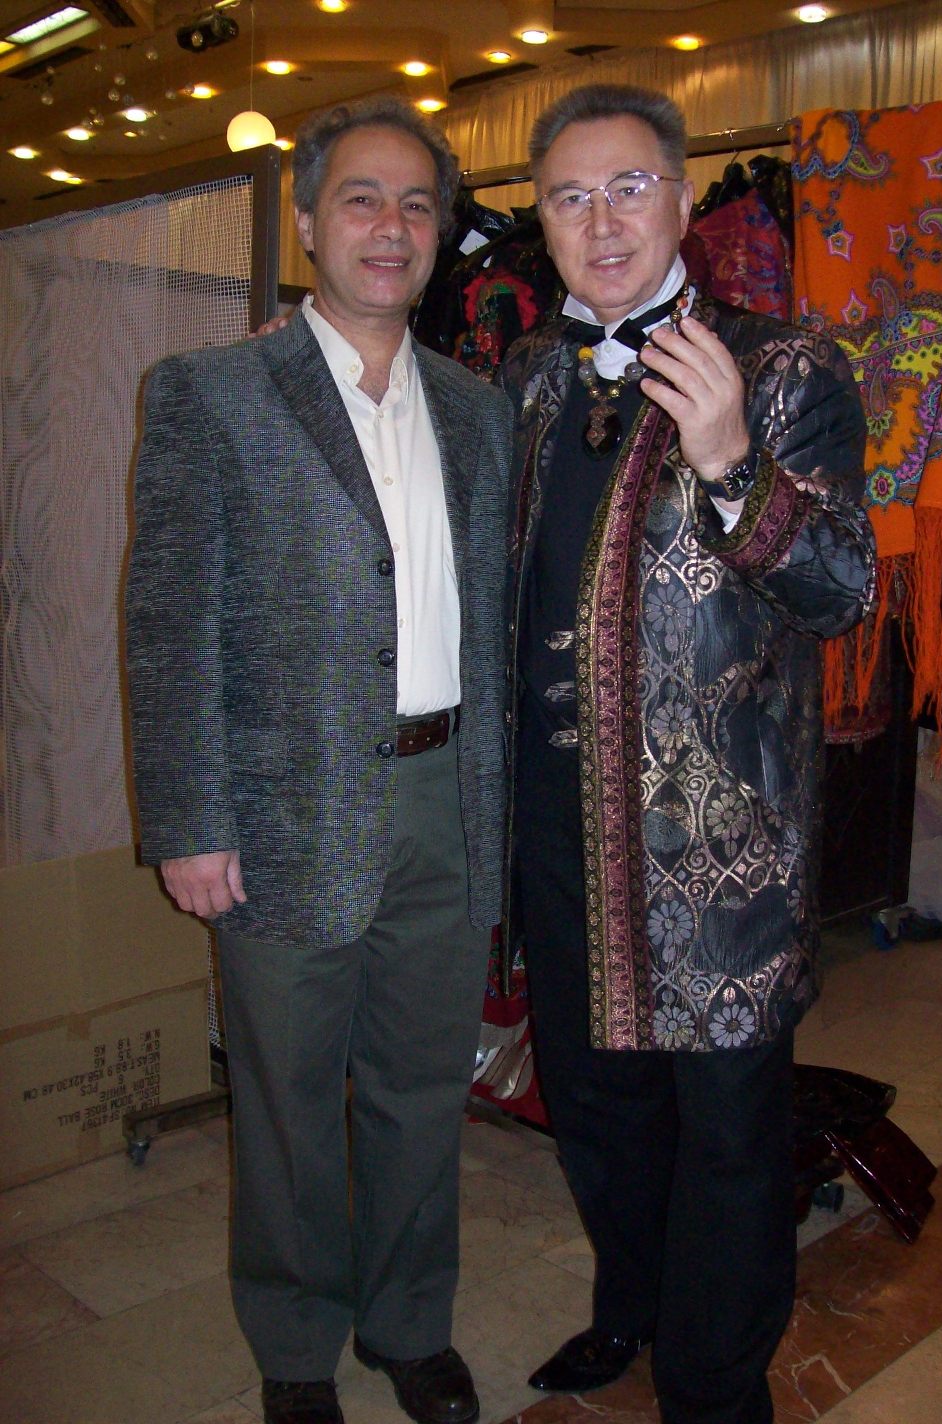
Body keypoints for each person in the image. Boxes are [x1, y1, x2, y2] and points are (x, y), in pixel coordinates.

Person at [124, 97, 511, 1424]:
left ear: (441, 231)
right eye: (361, 198)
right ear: (305, 224)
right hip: (281, 811)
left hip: (446, 799)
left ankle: (410, 1325)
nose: (390, 227)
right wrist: (188, 819)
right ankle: (295, 1350)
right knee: (288, 1103)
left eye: (416, 204)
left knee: (421, 1091)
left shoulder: (479, 410)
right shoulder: (211, 393)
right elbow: (168, 622)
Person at [497, 84, 876, 1424]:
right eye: (570, 196)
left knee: (725, 1134)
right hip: (555, 823)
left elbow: (843, 592)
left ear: (678, 198)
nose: (602, 222)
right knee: (596, 1107)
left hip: (717, 844)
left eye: (629, 189)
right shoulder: (529, 377)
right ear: (541, 219)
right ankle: (633, 1310)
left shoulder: (785, 368)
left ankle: (715, 1389)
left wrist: (731, 468)